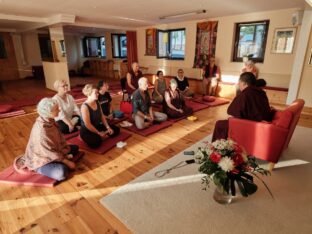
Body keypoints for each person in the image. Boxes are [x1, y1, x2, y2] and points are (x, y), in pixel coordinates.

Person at [16, 98, 79, 181]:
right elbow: (48, 152)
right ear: (49, 113)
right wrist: (66, 161)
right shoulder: (42, 131)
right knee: (62, 173)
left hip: (53, 151)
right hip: (41, 159)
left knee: (75, 148)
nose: (59, 110)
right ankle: (39, 168)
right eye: (56, 109)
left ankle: (60, 159)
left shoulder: (49, 120)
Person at [212, 72, 272, 142]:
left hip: (251, 125)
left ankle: (218, 145)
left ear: (244, 83)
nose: (238, 84)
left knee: (220, 124)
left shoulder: (245, 94)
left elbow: (231, 111)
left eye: (239, 82)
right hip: (262, 123)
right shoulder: (261, 92)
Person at [80, 84, 120, 148]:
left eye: (97, 93)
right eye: (95, 93)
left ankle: (102, 135)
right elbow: (88, 124)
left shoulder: (97, 102)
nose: (98, 94)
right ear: (89, 94)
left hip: (97, 126)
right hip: (87, 130)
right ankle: (83, 137)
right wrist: (98, 133)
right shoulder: (84, 107)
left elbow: (102, 116)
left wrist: (108, 127)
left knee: (116, 129)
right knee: (96, 142)